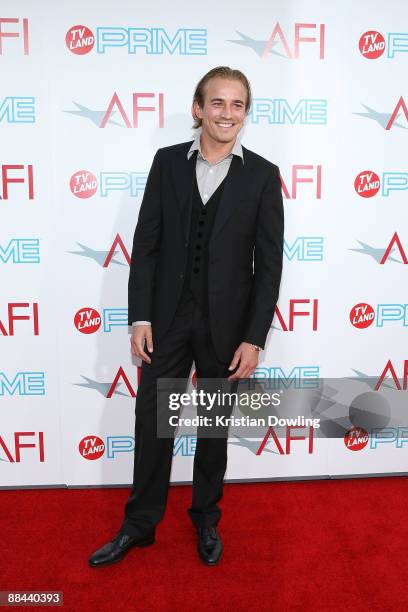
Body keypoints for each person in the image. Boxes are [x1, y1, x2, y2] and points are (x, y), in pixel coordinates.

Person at [89, 66, 284, 567]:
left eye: (236, 104)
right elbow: (146, 245)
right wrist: (140, 318)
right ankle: (139, 525)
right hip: (167, 321)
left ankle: (205, 519)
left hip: (228, 328)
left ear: (246, 113)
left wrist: (254, 337)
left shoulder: (263, 175)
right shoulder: (167, 163)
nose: (226, 113)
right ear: (198, 108)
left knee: (214, 428)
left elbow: (269, 265)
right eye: (216, 102)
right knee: (154, 423)